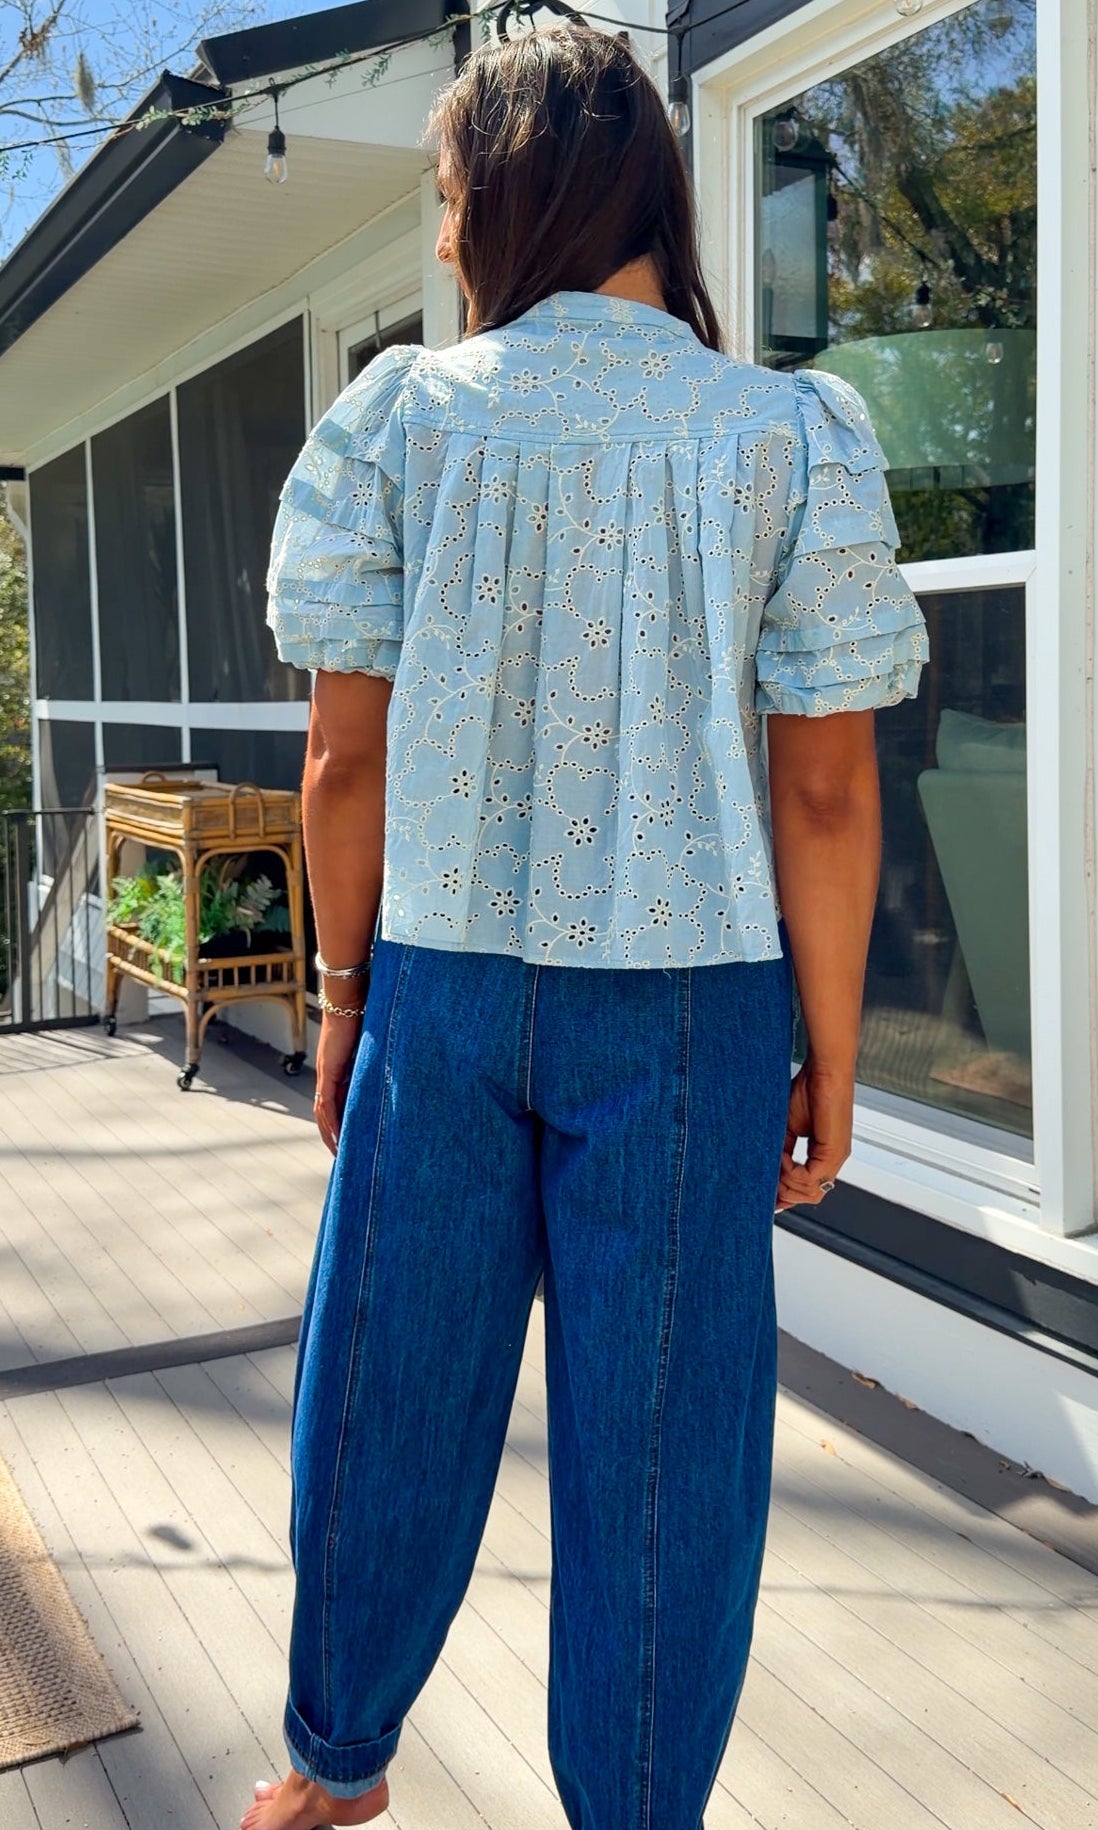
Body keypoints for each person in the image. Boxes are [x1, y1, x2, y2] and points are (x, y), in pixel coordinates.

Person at [243, 22, 928, 1830]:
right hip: (697, 1016)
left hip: (444, 994)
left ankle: (332, 1760)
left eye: (453, 194)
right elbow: (830, 792)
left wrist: (337, 999)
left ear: (513, 200)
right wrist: (833, 1055)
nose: (449, 233)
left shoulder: (405, 417)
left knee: (387, 1378)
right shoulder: (778, 433)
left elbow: (340, 764)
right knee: (662, 1452)